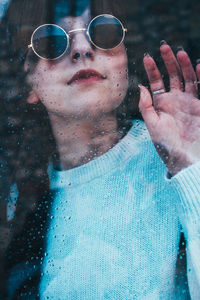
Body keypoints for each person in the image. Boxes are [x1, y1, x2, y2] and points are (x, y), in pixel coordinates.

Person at [1, 0, 200, 298]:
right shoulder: (22, 207)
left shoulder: (177, 157)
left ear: (124, 61)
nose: (82, 49)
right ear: (29, 83)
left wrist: (190, 167)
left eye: (105, 33)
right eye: (52, 41)